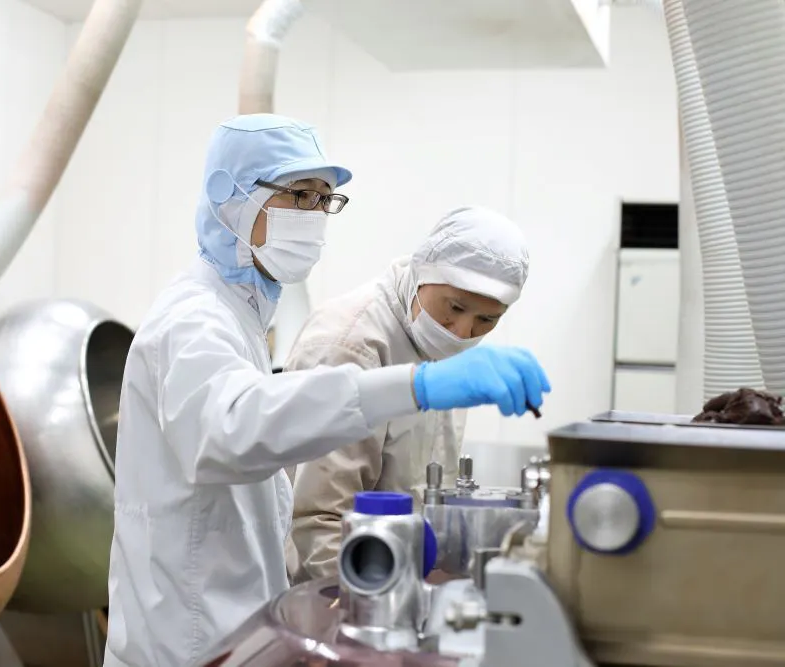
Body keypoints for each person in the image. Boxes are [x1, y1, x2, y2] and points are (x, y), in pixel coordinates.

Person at [104, 114, 551, 667]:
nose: (314, 217)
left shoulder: (240, 318)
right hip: (184, 643)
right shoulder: (193, 319)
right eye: (299, 195)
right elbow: (232, 429)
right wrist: (414, 385)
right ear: (230, 197)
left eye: (324, 200)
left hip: (232, 630)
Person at [285, 206, 531, 584]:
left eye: (487, 320)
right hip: (337, 590)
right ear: (422, 271)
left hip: (396, 577)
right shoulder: (350, 346)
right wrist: (378, 600)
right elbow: (319, 523)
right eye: (455, 307)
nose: (461, 331)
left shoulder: (441, 348)